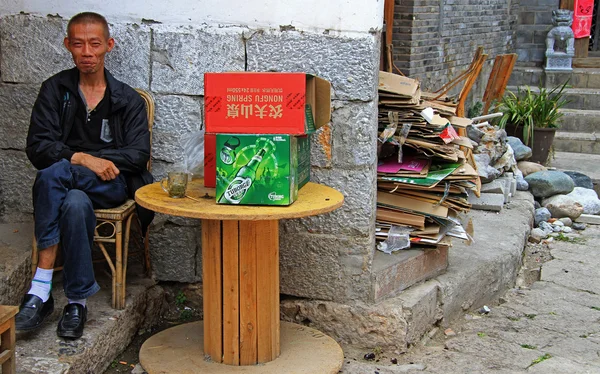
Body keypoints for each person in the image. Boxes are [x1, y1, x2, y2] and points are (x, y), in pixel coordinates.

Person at [16, 12, 153, 339]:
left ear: (109, 45)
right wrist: (82, 159)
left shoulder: (126, 100)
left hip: (110, 184)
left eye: (94, 44)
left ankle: (40, 287)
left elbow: (137, 155)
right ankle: (76, 302)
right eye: (78, 44)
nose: (87, 52)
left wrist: (90, 163)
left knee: (52, 176)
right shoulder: (55, 90)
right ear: (68, 46)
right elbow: (36, 147)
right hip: (74, 190)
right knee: (75, 203)